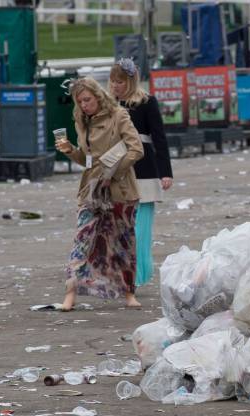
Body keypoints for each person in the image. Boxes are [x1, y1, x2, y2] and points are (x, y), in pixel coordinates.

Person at [56, 77, 144, 309]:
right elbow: (87, 160)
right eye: (79, 101)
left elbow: (136, 149)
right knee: (82, 239)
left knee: (122, 242)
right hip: (92, 190)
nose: (84, 105)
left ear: (98, 96)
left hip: (120, 188)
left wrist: (112, 173)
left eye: (87, 99)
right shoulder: (81, 121)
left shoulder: (118, 115)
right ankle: (70, 293)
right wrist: (70, 151)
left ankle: (128, 293)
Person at [108, 58, 173, 287]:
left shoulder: (146, 102)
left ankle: (137, 273)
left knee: (141, 226)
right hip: (116, 166)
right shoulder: (108, 105)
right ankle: (121, 272)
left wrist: (166, 172)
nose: (116, 86)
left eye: (121, 82)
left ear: (131, 81)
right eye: (113, 81)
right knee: (118, 224)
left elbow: (159, 138)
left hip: (145, 167)